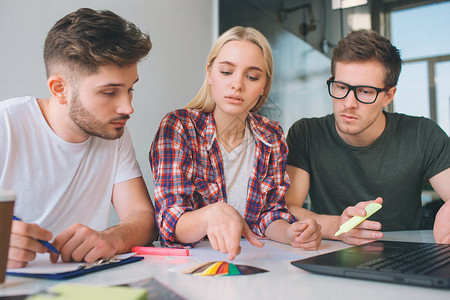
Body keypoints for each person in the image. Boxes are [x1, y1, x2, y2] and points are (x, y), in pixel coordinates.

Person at [0, 8, 157, 268]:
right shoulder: (5, 124)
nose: (128, 108)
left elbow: (142, 218)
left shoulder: (113, 131)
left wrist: (112, 238)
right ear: (60, 89)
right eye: (109, 92)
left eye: (130, 89)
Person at [150, 26, 321, 260]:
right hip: (193, 264)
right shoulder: (179, 127)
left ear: (263, 86)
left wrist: (291, 233)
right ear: (210, 74)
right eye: (226, 72)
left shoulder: (272, 136)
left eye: (252, 77)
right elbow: (170, 222)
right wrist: (211, 215)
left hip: (252, 261)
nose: (237, 85)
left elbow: (269, 215)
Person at [285, 30, 450, 245]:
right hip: (329, 252)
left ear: (388, 96)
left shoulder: (422, 134)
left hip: (405, 255)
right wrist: (337, 226)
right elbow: (287, 209)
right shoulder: (306, 134)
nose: (348, 103)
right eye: (341, 87)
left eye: (364, 92)